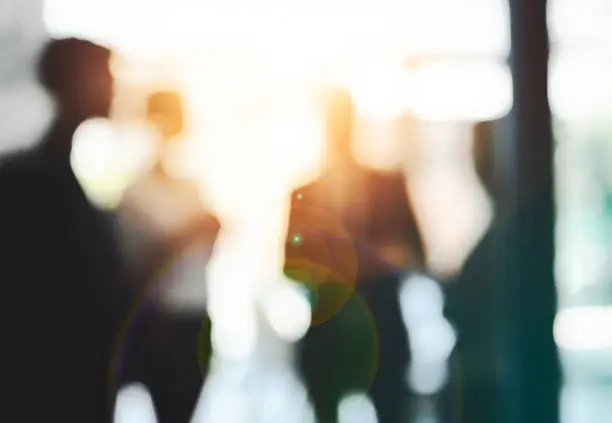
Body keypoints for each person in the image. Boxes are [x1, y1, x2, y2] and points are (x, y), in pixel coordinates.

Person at [0, 38, 130, 423]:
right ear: (75, 81)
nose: (113, 86)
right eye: (104, 73)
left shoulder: (54, 180)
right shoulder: (28, 182)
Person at [285, 87, 419, 423]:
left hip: (382, 326)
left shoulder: (388, 185)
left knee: (393, 411)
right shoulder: (305, 192)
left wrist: (367, 259)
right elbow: (291, 266)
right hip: (328, 332)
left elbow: (414, 252)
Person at [116, 90, 218, 423]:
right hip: (160, 323)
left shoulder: (193, 188)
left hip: (194, 319)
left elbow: (207, 251)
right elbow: (133, 269)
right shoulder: (135, 192)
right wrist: (181, 238)